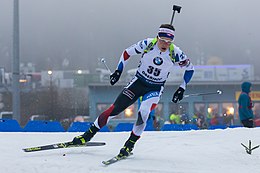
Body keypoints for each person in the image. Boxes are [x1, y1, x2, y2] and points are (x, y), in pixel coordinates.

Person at [71, 24, 194, 157]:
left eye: (169, 41)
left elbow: (190, 68)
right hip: (138, 83)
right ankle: (86, 136)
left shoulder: (175, 52)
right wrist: (118, 71)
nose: (165, 44)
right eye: (163, 40)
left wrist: (182, 88)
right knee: (115, 109)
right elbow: (126, 53)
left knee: (144, 112)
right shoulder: (147, 44)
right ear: (157, 36)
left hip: (155, 88)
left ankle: (129, 145)